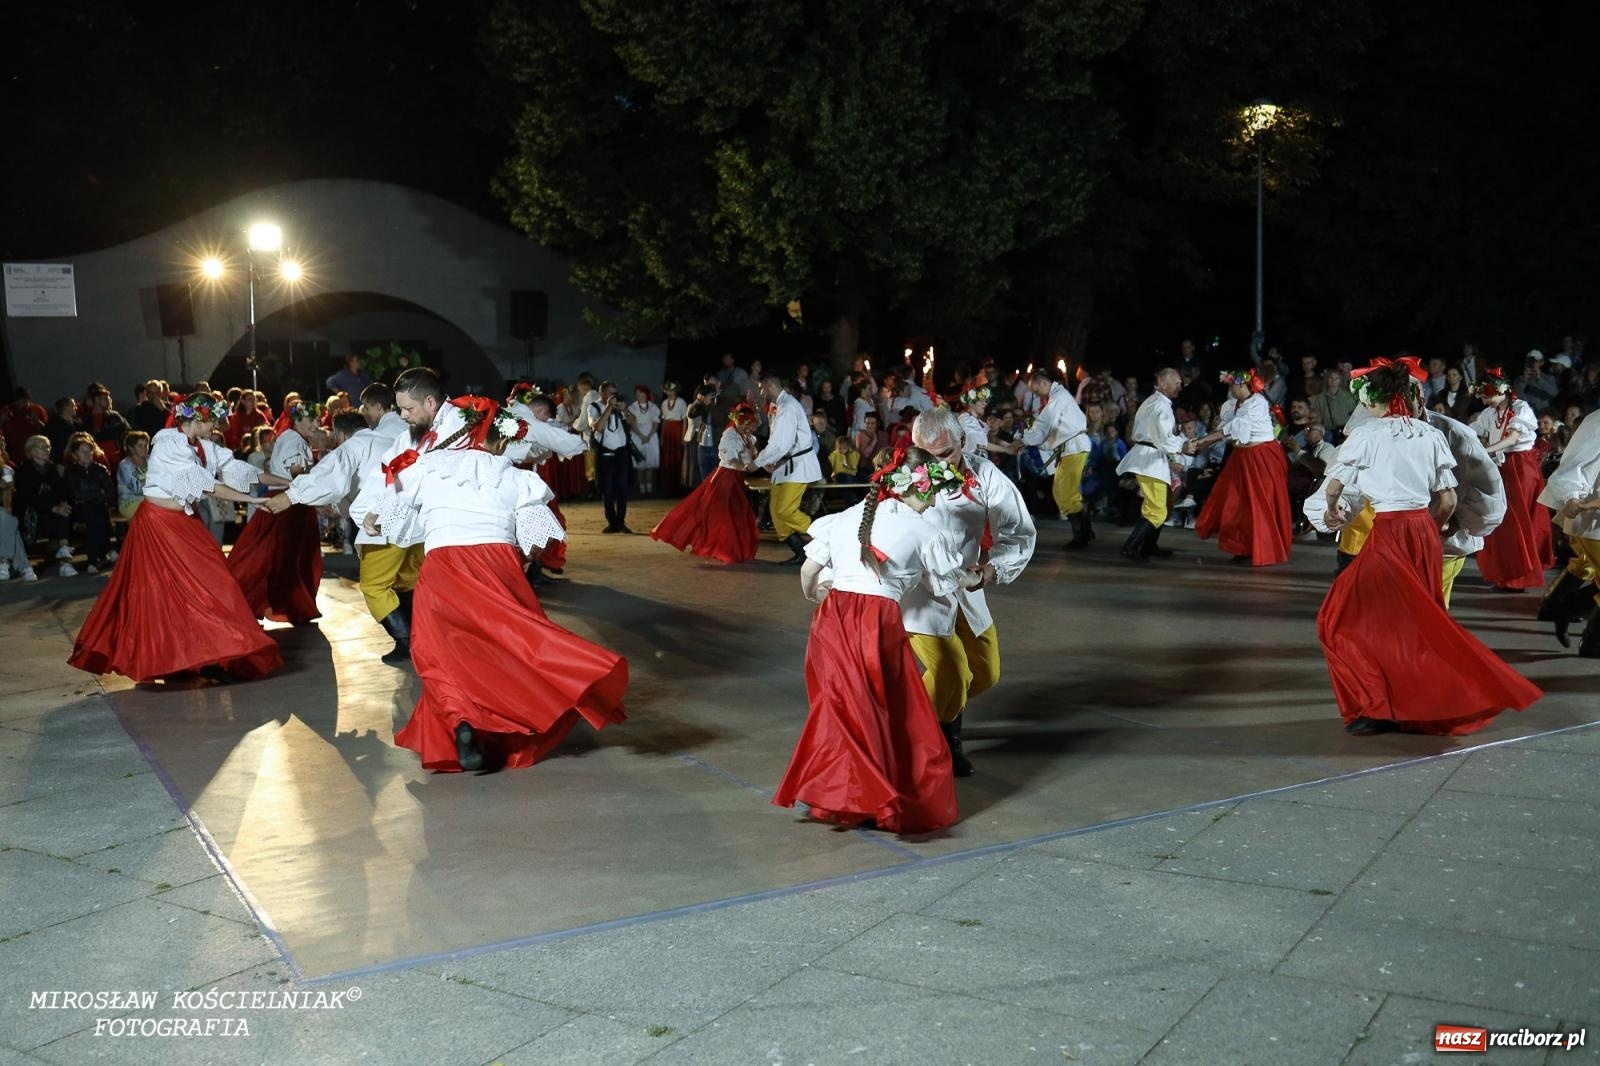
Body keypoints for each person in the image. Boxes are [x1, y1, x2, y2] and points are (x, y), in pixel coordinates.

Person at [367, 398, 628, 773]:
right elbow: (537, 540)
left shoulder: (426, 467)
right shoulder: (515, 477)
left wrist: (387, 519)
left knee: (437, 656)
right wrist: (522, 556)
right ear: (501, 442)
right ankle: (525, 704)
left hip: (442, 568)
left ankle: (461, 722)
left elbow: (383, 519)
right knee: (510, 647)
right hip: (497, 566)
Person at [1316, 362, 1540, 735]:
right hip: (1425, 532)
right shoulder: (1432, 433)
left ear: (1377, 400)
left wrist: (1330, 510)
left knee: (1337, 618)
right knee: (1412, 624)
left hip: (1391, 531)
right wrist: (1432, 528)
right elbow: (1449, 498)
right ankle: (1397, 704)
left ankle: (1390, 703)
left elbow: (1337, 485)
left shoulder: (1367, 434)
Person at [771, 447, 978, 832]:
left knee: (843, 710)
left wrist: (817, 596)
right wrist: (976, 577)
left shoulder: (849, 516)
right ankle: (873, 797)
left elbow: (809, 569)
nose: (937, 499)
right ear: (923, 487)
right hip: (875, 624)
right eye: (936, 490)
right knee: (888, 710)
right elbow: (946, 582)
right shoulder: (924, 530)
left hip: (830, 618)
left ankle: (848, 796)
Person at [68, 393, 284, 683]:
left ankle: (211, 654)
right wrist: (252, 501)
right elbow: (204, 484)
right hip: (158, 527)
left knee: (214, 584)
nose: (216, 426)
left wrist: (288, 483)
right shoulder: (168, 442)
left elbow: (241, 471)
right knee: (163, 595)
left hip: (185, 523)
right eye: (212, 421)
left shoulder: (206, 446)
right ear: (196, 418)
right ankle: (183, 660)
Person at [902, 407, 1037, 776]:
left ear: (963, 440)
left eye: (944, 454)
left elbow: (1019, 532)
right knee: (951, 670)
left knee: (986, 672)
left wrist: (991, 570)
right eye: (926, 455)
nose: (936, 465)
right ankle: (930, 743)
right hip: (919, 592)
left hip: (966, 584)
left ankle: (919, 716)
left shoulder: (987, 476)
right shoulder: (905, 477)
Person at [227, 401, 323, 624]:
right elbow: (297, 474)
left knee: (282, 556)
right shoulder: (293, 440)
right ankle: (288, 604)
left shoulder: (292, 438)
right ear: (297, 420)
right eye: (311, 420)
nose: (316, 424)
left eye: (317, 420)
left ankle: (290, 604)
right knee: (281, 556)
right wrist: (320, 471)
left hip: (291, 500)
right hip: (289, 502)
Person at [1191, 369, 1293, 566]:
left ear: (1242, 385)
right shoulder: (1233, 404)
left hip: (1262, 459)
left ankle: (1265, 548)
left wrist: (1204, 440)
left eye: (1232, 384)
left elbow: (1233, 427)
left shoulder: (1257, 403)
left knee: (1261, 504)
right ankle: (1243, 547)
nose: (1230, 388)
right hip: (1241, 457)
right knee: (1237, 503)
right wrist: (1202, 445)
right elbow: (1225, 429)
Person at [650, 402, 761, 564]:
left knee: (739, 515)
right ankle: (727, 551)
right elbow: (731, 459)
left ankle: (737, 550)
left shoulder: (747, 436)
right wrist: (747, 466)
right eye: (742, 422)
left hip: (736, 479)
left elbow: (751, 455)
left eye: (748, 424)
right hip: (725, 479)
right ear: (735, 420)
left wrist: (756, 459)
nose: (745, 426)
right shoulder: (729, 436)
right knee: (723, 517)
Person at [1471, 370, 1552, 590]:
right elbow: (1471, 430)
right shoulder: (1490, 413)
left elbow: (1513, 438)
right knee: (1503, 521)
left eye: (1485, 395)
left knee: (1518, 521)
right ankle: (1506, 573)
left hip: (1521, 468)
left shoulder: (1520, 408)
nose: (1482, 400)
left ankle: (1518, 577)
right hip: (1501, 466)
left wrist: (1486, 450)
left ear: (1499, 391)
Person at [503, 384, 587, 584]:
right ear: (540, 410)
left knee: (531, 525)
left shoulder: (508, 414)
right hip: (513, 483)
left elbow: (532, 451)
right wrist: (582, 444)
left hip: (509, 480)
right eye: (545, 417)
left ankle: (531, 570)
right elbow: (556, 440)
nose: (545, 421)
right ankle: (527, 572)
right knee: (545, 521)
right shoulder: (527, 421)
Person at [1536, 408, 1600, 655]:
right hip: (1591, 519)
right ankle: (1592, 644)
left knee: (1584, 566)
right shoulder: (1596, 422)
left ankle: (1561, 607)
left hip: (1591, 519)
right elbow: (1573, 461)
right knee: (1585, 566)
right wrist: (1572, 496)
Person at [1116, 369, 1196, 561]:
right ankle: (1131, 547)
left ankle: (1149, 546)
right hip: (1150, 461)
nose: (1180, 385)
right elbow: (1163, 438)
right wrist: (1182, 446)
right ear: (1162, 382)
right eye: (1176, 382)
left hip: (1152, 459)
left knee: (1161, 507)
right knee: (1157, 509)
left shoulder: (1154, 403)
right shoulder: (1160, 407)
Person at [754, 373, 823, 563]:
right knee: (776, 511)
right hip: (784, 465)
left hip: (798, 465)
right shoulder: (779, 406)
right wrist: (771, 461)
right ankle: (801, 553)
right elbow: (777, 440)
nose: (761, 391)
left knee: (786, 510)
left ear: (769, 385)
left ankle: (826, 534)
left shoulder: (788, 407)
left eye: (762, 387)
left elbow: (781, 444)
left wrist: (759, 462)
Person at [62, 432, 116, 575]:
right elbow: (76, 495)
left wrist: (92, 498)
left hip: (98, 508)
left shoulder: (100, 470)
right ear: (75, 455)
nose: (87, 455)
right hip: (78, 510)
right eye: (83, 452)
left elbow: (110, 492)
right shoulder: (70, 472)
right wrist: (98, 495)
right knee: (94, 513)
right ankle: (107, 549)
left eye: (89, 451)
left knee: (95, 514)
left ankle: (93, 561)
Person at [587, 381, 637, 533]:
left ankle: (621, 521)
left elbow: (633, 422)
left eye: (614, 393)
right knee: (606, 489)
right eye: (610, 393)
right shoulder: (594, 407)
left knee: (623, 489)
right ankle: (612, 522)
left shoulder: (620, 406)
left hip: (621, 452)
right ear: (601, 393)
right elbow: (597, 427)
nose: (613, 396)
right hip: (605, 454)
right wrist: (609, 407)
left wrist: (625, 410)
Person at [629, 386, 662, 496]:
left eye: (640, 393)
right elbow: (632, 424)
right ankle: (641, 487)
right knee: (640, 464)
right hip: (638, 435)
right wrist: (641, 436)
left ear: (645, 394)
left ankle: (649, 486)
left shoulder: (653, 407)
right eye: (637, 393)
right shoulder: (632, 407)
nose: (638, 395)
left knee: (650, 463)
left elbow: (656, 423)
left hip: (650, 436)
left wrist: (649, 436)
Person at [658, 381, 687, 496]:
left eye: (670, 390)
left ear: (675, 391)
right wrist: (662, 436)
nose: (668, 392)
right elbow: (664, 420)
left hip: (677, 429)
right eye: (667, 390)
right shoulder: (664, 403)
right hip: (668, 430)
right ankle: (667, 487)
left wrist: (683, 436)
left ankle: (677, 487)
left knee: (677, 457)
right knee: (667, 458)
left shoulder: (681, 402)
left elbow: (685, 420)